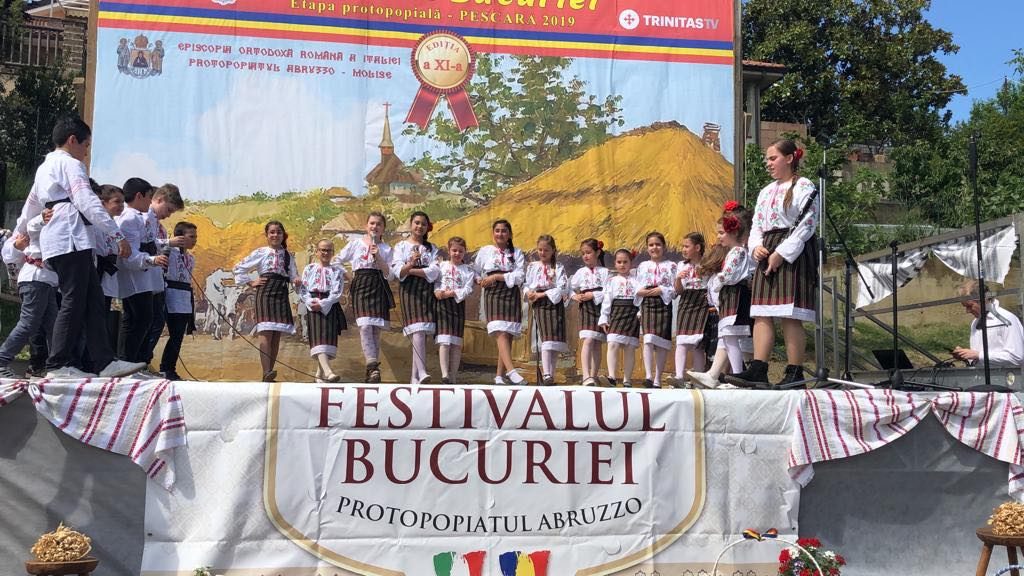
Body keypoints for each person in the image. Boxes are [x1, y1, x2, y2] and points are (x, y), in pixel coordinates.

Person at [13, 115, 144, 379]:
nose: (86, 152)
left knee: (93, 299)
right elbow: (86, 199)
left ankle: (104, 361)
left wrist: (21, 231)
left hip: (62, 240)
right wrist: (116, 235)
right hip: (70, 238)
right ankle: (58, 363)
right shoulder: (71, 164)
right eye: (85, 145)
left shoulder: (44, 168)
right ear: (73, 140)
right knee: (74, 299)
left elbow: (31, 205)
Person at [728, 139, 818, 388]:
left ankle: (795, 372)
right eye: (767, 159)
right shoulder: (766, 191)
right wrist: (756, 246)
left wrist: (782, 253)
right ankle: (759, 368)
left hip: (793, 250)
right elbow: (757, 223)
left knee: (789, 314)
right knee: (761, 312)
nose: (768, 163)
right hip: (766, 247)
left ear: (789, 158)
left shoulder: (804, 185)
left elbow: (807, 224)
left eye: (772, 158)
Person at [689, 216, 754, 389]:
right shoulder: (734, 252)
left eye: (721, 233)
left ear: (733, 233)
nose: (718, 237)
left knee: (730, 336)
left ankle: (737, 376)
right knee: (727, 336)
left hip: (735, 295)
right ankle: (719, 374)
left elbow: (728, 274)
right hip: (730, 295)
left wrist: (718, 281)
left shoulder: (738, 251)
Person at [233, 220, 300, 382]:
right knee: (266, 332)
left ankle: (269, 373)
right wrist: (251, 282)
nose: (275, 235)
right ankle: (266, 371)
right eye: (272, 232)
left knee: (276, 335)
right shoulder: (261, 252)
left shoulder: (288, 256)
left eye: (278, 232)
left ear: (283, 235)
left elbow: (293, 275)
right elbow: (239, 268)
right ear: (267, 235)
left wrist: (296, 280)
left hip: (281, 292)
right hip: (265, 292)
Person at [333, 211, 393, 383]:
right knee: (365, 326)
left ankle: (372, 370)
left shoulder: (387, 249)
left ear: (383, 228)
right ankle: (372, 365)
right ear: (366, 226)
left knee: (375, 329)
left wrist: (378, 255)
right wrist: (348, 275)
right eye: (372, 223)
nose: (375, 227)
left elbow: (390, 274)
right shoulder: (355, 244)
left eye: (379, 224)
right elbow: (337, 260)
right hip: (361, 284)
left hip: (378, 284)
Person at [0, 215, 58, 378]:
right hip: (35, 279)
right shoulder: (33, 221)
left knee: (54, 326)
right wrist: (41, 218)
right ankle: (1, 360)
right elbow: (9, 251)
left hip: (48, 281)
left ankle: (57, 366)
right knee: (29, 324)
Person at [115, 177, 162, 364]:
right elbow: (130, 254)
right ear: (139, 196)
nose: (150, 203)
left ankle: (131, 363)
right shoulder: (129, 218)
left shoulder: (138, 217)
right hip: (134, 276)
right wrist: (152, 259)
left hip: (141, 275)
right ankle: (127, 361)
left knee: (139, 319)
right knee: (140, 319)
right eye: (149, 197)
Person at [140, 184, 186, 373]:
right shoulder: (143, 217)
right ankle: (138, 361)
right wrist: (168, 243)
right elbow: (144, 243)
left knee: (156, 323)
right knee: (143, 323)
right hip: (144, 278)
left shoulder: (158, 224)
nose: (168, 215)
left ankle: (144, 360)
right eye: (168, 210)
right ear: (158, 199)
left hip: (157, 279)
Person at [390, 211, 440, 384]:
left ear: (427, 227)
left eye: (423, 224)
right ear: (411, 224)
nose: (420, 226)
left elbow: (434, 271)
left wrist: (411, 271)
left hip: (426, 291)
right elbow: (398, 271)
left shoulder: (431, 248)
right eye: (417, 223)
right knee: (417, 330)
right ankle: (422, 371)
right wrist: (411, 263)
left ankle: (414, 377)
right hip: (410, 291)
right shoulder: (401, 246)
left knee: (422, 333)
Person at [476, 219, 526, 385]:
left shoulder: (516, 253)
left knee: (507, 334)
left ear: (510, 234)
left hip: (511, 293)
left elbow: (519, 276)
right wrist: (479, 280)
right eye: (497, 231)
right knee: (501, 332)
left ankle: (499, 376)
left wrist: (497, 276)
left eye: (504, 231)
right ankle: (511, 371)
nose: (500, 234)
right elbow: (475, 270)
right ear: (493, 233)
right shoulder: (485, 251)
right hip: (493, 292)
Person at [524, 234, 570, 386]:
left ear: (553, 250)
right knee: (546, 337)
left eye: (546, 250)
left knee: (554, 339)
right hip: (540, 304)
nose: (542, 253)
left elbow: (562, 287)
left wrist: (542, 294)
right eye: (540, 250)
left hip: (554, 302)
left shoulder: (558, 267)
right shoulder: (533, 266)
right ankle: (546, 373)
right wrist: (529, 293)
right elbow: (527, 284)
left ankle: (551, 375)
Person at [300, 239, 347, 383]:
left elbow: (337, 291)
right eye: (323, 250)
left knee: (327, 338)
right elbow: (303, 288)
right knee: (318, 338)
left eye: (328, 250)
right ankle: (328, 372)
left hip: (329, 305)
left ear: (332, 253)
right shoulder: (309, 269)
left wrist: (323, 304)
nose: (325, 253)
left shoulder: (336, 271)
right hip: (313, 304)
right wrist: (310, 302)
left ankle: (319, 374)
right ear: (317, 252)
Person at [635, 231, 676, 388]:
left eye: (658, 244)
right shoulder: (643, 266)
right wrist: (644, 293)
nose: (654, 248)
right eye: (651, 245)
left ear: (664, 246)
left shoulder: (671, 266)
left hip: (663, 303)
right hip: (647, 303)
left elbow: (675, 289)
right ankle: (648, 376)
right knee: (648, 339)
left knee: (661, 342)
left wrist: (662, 290)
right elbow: (637, 286)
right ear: (647, 248)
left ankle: (658, 379)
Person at [433, 236, 476, 384]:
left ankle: (453, 377)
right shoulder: (441, 266)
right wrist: (437, 291)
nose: (457, 253)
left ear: (465, 252)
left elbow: (468, 288)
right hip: (443, 306)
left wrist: (452, 293)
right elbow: (436, 282)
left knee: (456, 343)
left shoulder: (467, 270)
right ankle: (445, 374)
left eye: (460, 251)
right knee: (444, 340)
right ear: (449, 250)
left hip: (457, 305)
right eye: (454, 250)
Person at [952, 280, 1024, 367]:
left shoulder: (1007, 319)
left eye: (970, 306)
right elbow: (978, 358)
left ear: (983, 300)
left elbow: (1016, 357)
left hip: (1003, 375)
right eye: (965, 307)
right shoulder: (975, 323)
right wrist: (965, 356)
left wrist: (979, 355)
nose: (967, 311)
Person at [159, 221, 198, 380]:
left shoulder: (191, 258)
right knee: (155, 330)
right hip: (169, 294)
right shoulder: (168, 252)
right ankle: (144, 362)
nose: (195, 240)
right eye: (191, 236)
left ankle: (168, 368)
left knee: (177, 335)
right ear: (180, 237)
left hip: (184, 297)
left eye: (195, 237)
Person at [598, 248, 641, 388]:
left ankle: (627, 379)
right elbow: (607, 300)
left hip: (632, 312)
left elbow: (641, 297)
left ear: (631, 263)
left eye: (625, 262)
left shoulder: (637, 280)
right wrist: (604, 317)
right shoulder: (612, 280)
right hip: (617, 312)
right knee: (613, 343)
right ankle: (611, 376)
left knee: (630, 347)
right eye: (619, 262)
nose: (622, 265)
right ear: (615, 263)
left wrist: (640, 312)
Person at [570, 238, 609, 386]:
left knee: (597, 342)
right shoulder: (580, 272)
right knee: (588, 339)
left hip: (600, 308)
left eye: (588, 252)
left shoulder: (605, 272)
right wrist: (574, 296)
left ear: (597, 253)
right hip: (586, 308)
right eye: (583, 253)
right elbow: (569, 287)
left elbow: (608, 291)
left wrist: (593, 295)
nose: (585, 256)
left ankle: (593, 375)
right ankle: (586, 375)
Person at [671, 232, 708, 388]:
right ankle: (679, 376)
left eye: (687, 246)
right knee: (682, 339)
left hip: (702, 300)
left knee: (698, 343)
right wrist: (678, 278)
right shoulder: (682, 265)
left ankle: (698, 379)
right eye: (683, 246)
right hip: (686, 300)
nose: (683, 249)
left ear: (697, 248)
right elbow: (678, 291)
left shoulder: (707, 263)